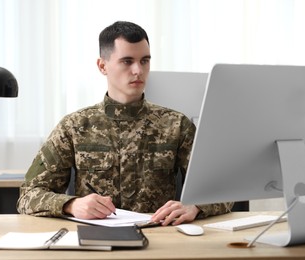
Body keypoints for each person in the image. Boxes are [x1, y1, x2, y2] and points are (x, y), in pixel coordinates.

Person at [17, 21, 233, 226]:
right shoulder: (74, 126)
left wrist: (195, 206)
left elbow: (222, 189)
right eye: (127, 61)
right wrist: (71, 204)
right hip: (95, 237)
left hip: (160, 236)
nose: (138, 70)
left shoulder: (176, 125)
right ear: (103, 66)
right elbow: (28, 195)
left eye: (145, 61)